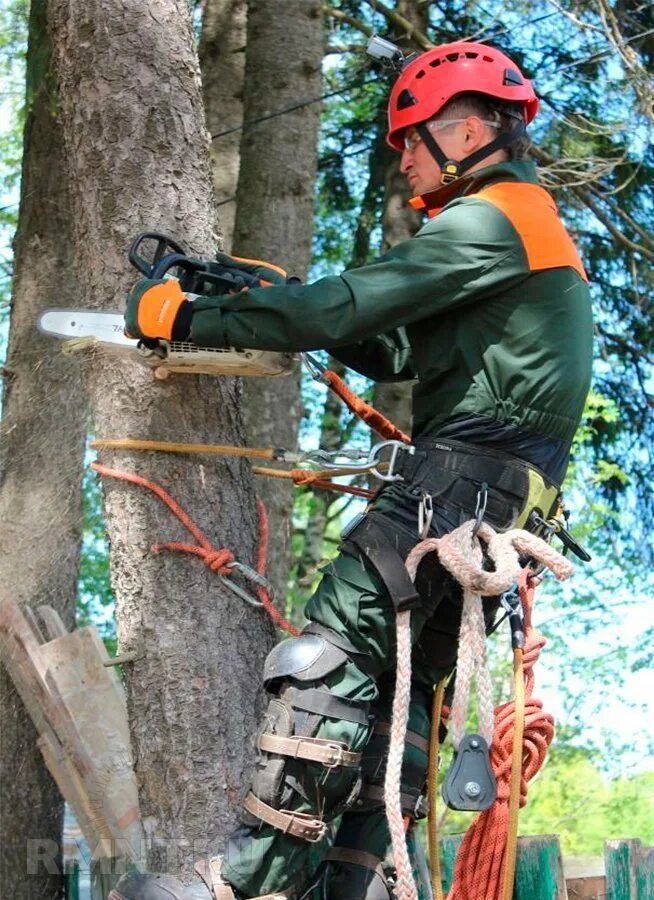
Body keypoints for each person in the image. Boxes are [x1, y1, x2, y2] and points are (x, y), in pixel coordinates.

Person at [112, 41, 592, 900]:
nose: (401, 154)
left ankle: (245, 885)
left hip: (456, 490)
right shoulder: (521, 228)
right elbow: (390, 343)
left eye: (412, 136)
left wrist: (188, 316)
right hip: (495, 502)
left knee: (327, 662)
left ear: (471, 128)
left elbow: (346, 307)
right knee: (405, 700)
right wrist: (275, 294)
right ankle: (361, 883)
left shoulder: (494, 217)